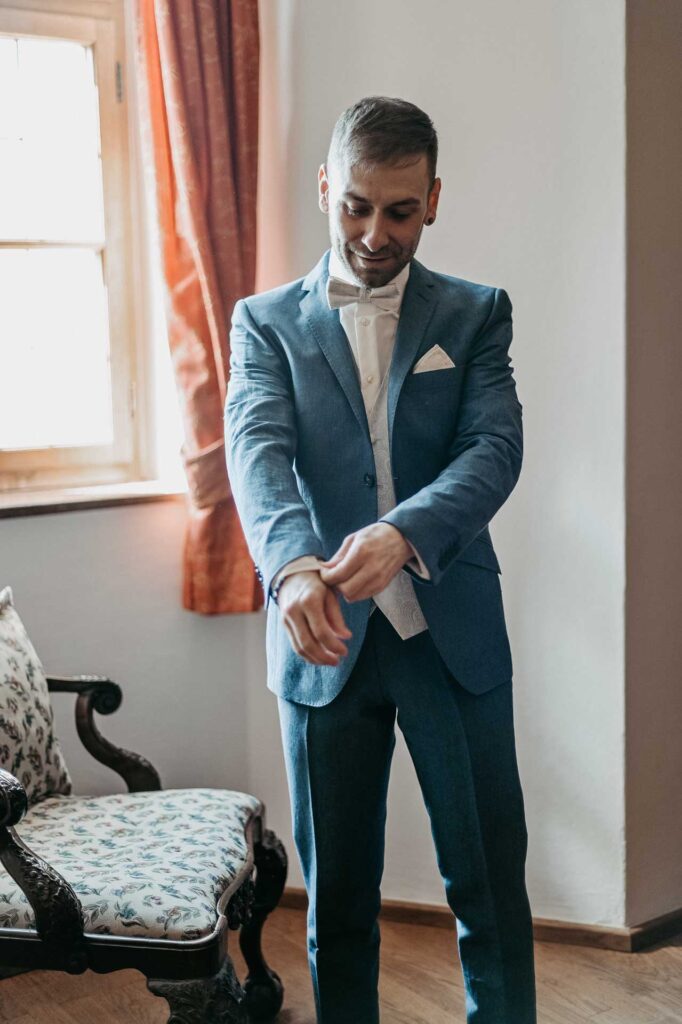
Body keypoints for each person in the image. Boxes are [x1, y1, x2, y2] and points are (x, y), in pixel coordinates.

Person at [225, 95, 536, 1024]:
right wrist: (290, 570)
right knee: (340, 908)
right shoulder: (263, 322)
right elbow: (256, 449)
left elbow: (494, 450)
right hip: (322, 645)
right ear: (326, 187)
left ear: (433, 200)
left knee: (489, 897)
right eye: (355, 205)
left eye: (399, 211)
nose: (373, 232)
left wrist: (405, 531)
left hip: (454, 638)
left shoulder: (477, 315)